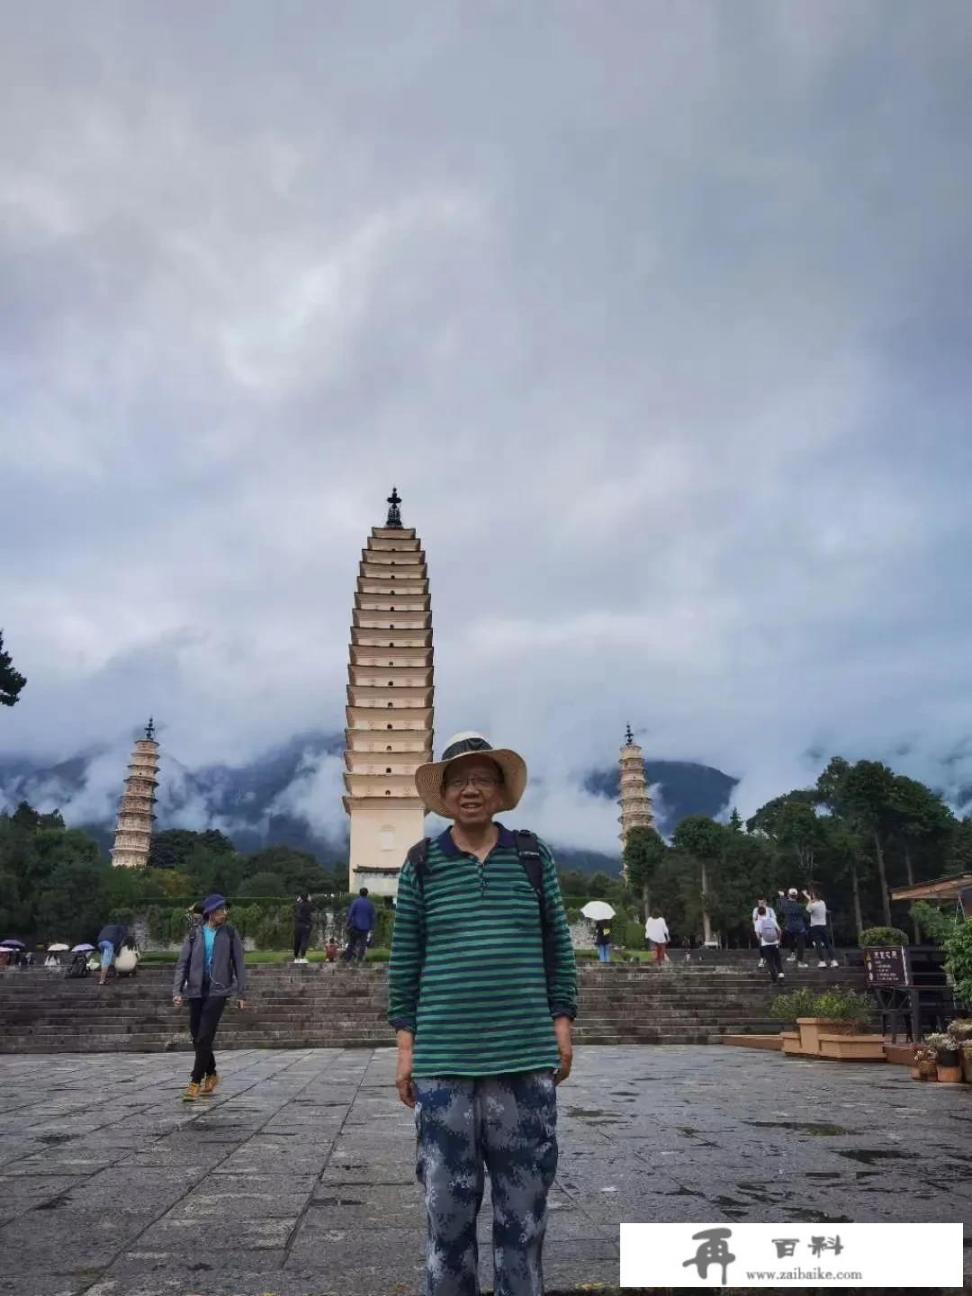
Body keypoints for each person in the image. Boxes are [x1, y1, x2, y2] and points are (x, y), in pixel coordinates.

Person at [389, 731, 577, 1296]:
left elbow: (557, 943)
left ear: (501, 793)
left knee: (524, 1212)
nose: (470, 790)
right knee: (446, 1212)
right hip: (443, 1063)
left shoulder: (531, 855)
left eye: (483, 779)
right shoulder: (421, 864)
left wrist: (561, 1025)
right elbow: (406, 958)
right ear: (443, 795)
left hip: (523, 1057)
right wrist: (406, 1048)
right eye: (458, 781)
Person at [172, 894, 247, 1102]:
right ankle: (212, 1073)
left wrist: (242, 992)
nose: (225, 913)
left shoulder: (230, 933)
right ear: (210, 913)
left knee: (204, 1036)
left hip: (218, 991)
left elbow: (240, 964)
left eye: (225, 910)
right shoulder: (194, 934)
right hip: (196, 991)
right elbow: (182, 964)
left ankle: (195, 1082)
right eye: (221, 910)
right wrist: (177, 991)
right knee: (197, 1036)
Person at [804, 888, 839, 967]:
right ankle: (833, 960)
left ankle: (822, 961)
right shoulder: (822, 903)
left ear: (814, 896)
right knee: (827, 943)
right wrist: (808, 896)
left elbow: (807, 910)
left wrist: (809, 900)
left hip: (815, 926)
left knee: (818, 944)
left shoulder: (813, 905)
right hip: (823, 925)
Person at [343, 887, 376, 963]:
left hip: (355, 926)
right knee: (363, 945)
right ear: (367, 894)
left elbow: (350, 914)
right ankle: (359, 960)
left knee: (351, 943)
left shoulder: (355, 902)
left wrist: (347, 924)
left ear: (359, 893)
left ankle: (347, 959)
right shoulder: (370, 904)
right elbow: (372, 917)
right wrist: (372, 928)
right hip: (365, 928)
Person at [779, 888, 809, 967]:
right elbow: (809, 905)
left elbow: (783, 903)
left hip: (789, 927)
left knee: (790, 940)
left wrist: (782, 896)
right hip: (799, 927)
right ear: (796, 896)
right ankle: (800, 962)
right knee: (800, 945)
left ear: (789, 895)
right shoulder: (800, 906)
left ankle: (792, 954)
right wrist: (806, 895)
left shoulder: (785, 905)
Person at [96, 922, 131, 987]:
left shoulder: (109, 927)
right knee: (106, 961)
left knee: (105, 959)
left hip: (100, 942)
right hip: (108, 943)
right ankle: (102, 981)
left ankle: (115, 973)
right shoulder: (121, 928)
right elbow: (123, 940)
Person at [755, 905, 784, 982]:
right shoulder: (772, 920)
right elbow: (780, 931)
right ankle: (781, 975)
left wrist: (762, 942)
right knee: (777, 960)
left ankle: (774, 978)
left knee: (770, 961)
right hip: (775, 943)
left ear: (758, 913)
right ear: (765, 912)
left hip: (765, 944)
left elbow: (758, 936)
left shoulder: (757, 922)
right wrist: (779, 940)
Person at [752, 897, 776, 969]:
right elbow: (754, 919)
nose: (760, 904)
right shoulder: (756, 909)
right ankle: (762, 958)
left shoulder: (770, 910)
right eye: (759, 903)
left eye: (762, 903)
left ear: (765, 902)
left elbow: (774, 919)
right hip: (760, 929)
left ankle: (770, 960)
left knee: (770, 946)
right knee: (761, 944)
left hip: (770, 930)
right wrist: (756, 927)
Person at [293, 893, 314, 964]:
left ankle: (296, 958)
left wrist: (298, 901)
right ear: (307, 897)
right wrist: (310, 901)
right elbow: (312, 909)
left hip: (297, 925)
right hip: (306, 925)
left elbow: (295, 911)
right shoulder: (308, 905)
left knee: (297, 941)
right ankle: (302, 957)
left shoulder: (298, 905)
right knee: (304, 941)